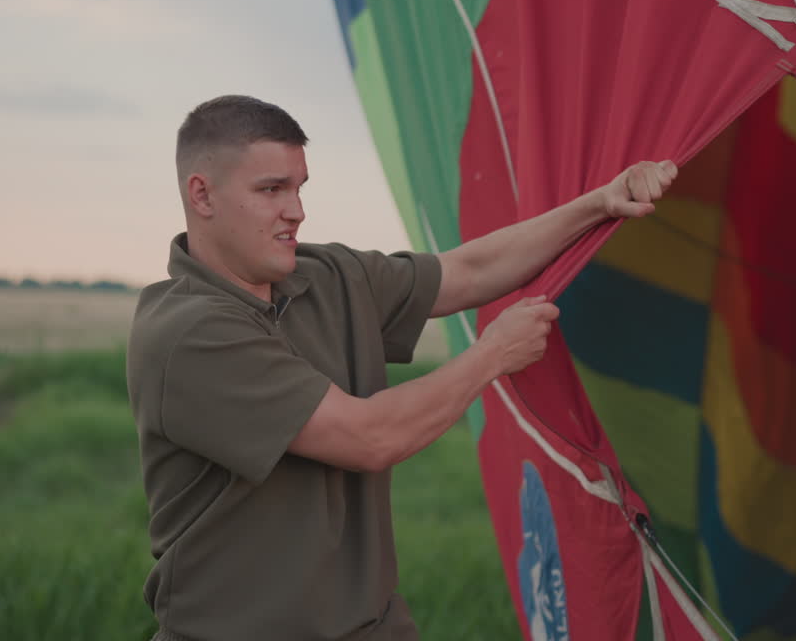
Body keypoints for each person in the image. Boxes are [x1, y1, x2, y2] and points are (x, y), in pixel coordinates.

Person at [126, 94, 677, 641]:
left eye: (298, 188)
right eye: (271, 189)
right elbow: (369, 436)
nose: (295, 210)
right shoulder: (188, 333)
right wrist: (492, 355)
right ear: (202, 195)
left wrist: (601, 203)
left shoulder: (327, 274)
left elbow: (469, 270)